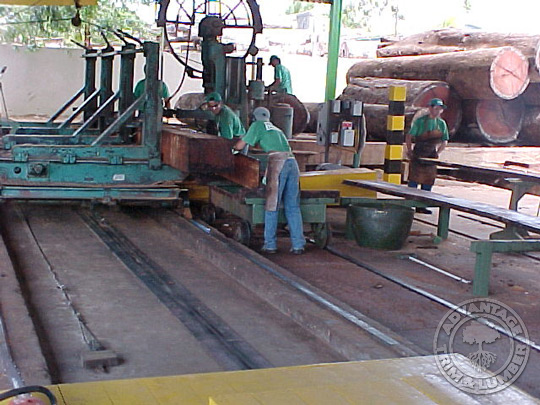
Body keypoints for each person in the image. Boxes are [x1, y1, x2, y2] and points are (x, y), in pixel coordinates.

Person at [233, 107, 305, 254]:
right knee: (293, 206)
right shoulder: (276, 129)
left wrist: (232, 150)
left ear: (254, 117)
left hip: (278, 163)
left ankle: (270, 244)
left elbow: (242, 144)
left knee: (272, 206)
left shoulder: (257, 125)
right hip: (293, 163)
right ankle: (298, 244)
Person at [405, 98, 449, 214]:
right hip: (419, 153)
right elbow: (409, 136)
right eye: (436, 108)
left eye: (440, 109)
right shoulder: (420, 121)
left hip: (431, 155)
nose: (438, 111)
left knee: (428, 181)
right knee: (414, 180)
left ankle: (422, 205)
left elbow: (444, 140)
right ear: (430, 108)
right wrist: (409, 150)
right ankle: (409, 204)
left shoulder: (441, 124)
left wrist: (438, 153)